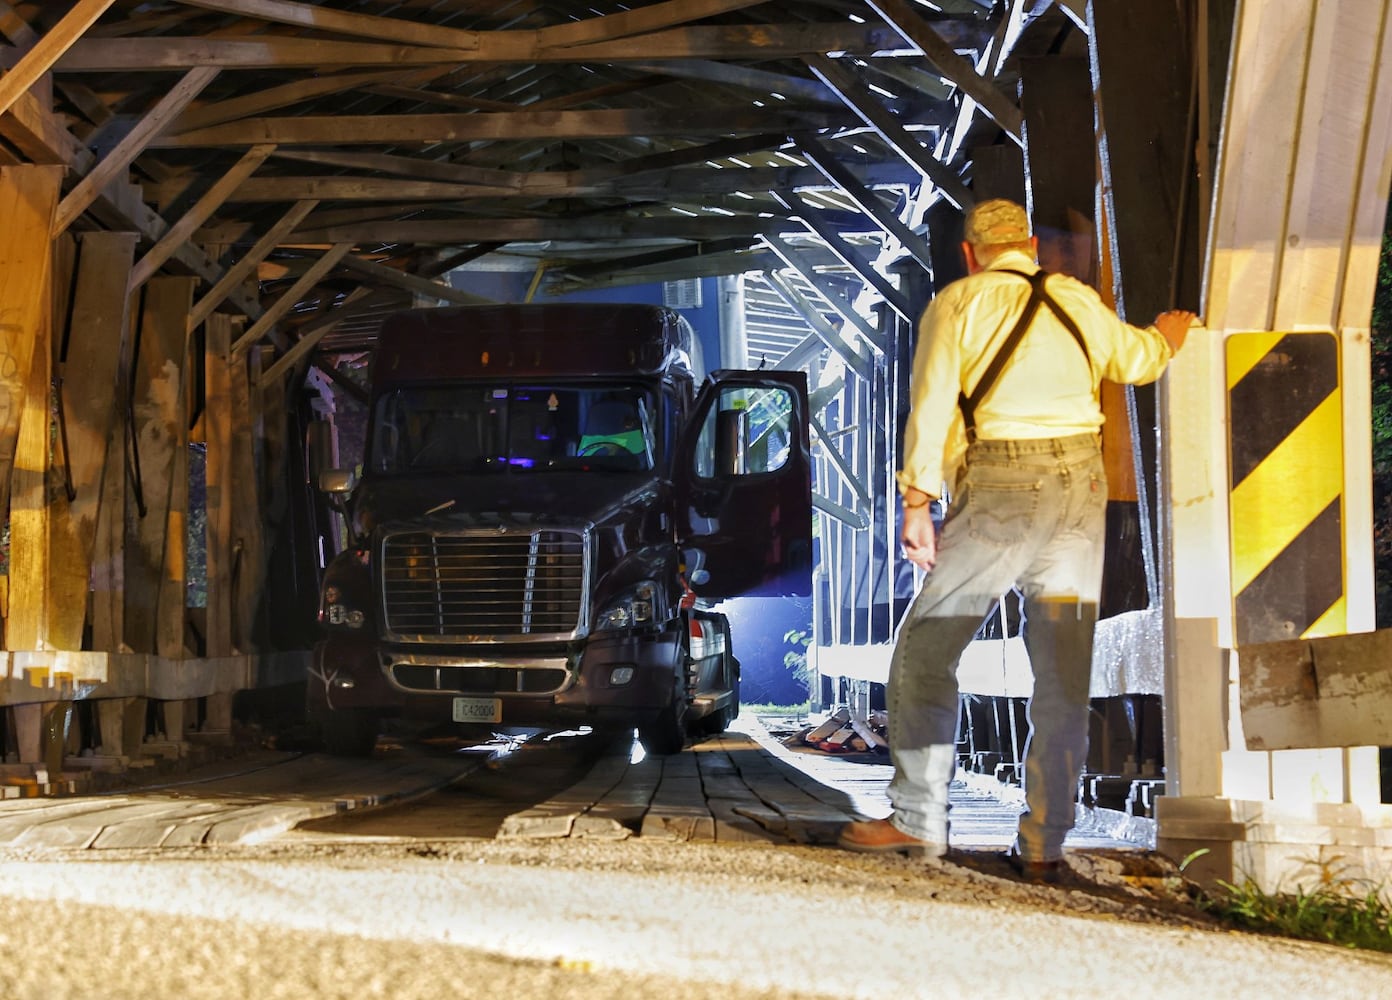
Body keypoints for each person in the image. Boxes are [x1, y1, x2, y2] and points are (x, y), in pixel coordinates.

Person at [837, 198, 1195, 882]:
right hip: (1081, 491)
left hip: (1003, 487)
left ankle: (914, 819)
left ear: (972, 253)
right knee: (1063, 677)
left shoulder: (959, 301)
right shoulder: (1076, 300)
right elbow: (1140, 361)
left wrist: (918, 499)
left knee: (926, 647)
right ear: (1030, 245)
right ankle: (1043, 845)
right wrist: (1169, 335)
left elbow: (933, 401)